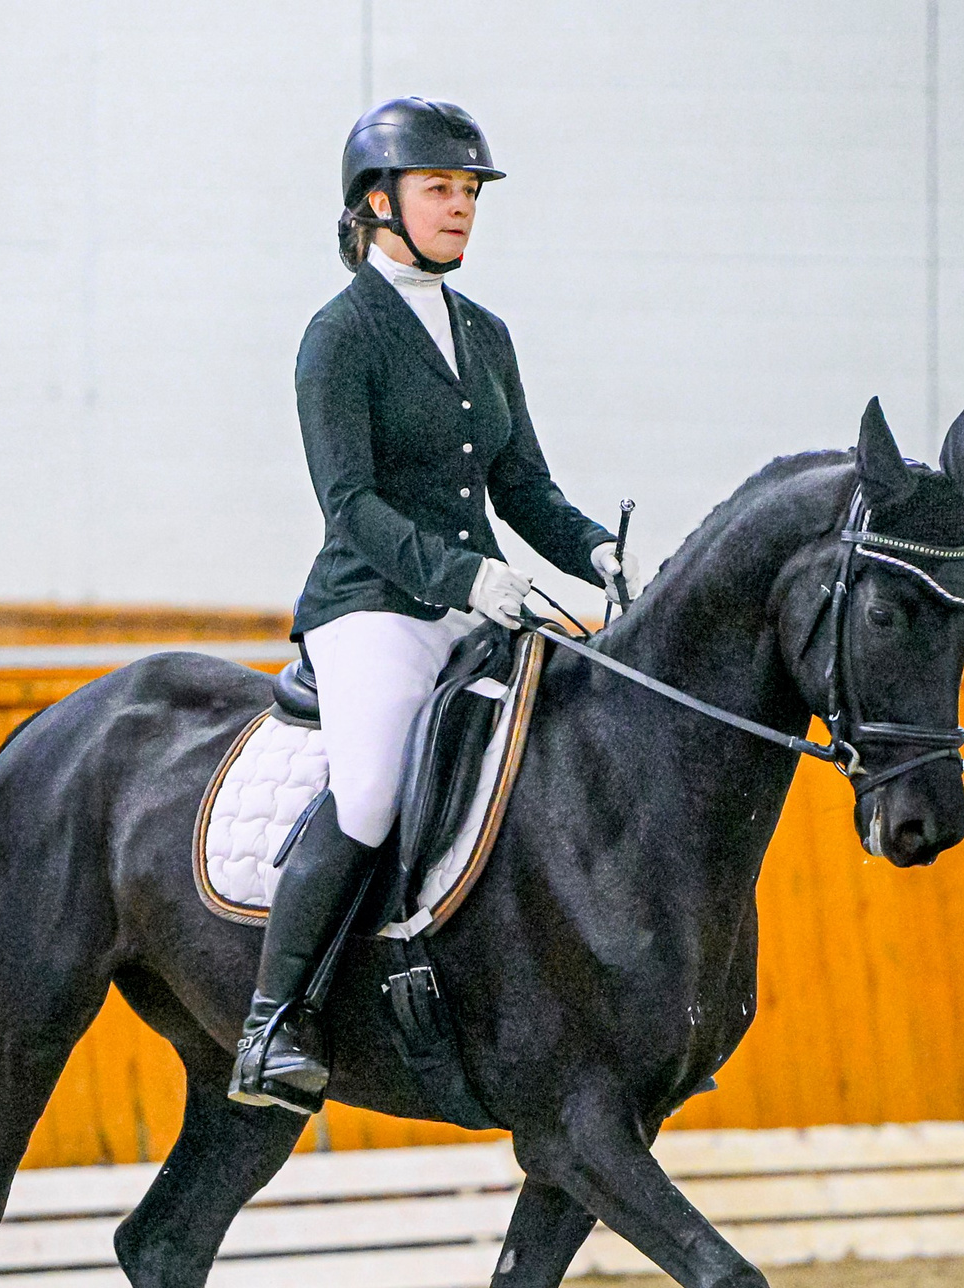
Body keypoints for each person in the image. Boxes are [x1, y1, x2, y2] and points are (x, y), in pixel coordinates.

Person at [230, 97, 629, 1111]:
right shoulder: (339, 336)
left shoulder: (484, 334)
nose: (460, 208)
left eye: (468, 193)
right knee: (369, 788)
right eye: (439, 189)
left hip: (481, 602)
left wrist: (597, 552)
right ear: (377, 202)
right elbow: (350, 505)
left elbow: (523, 487)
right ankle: (271, 1022)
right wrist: (470, 581)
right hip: (372, 605)